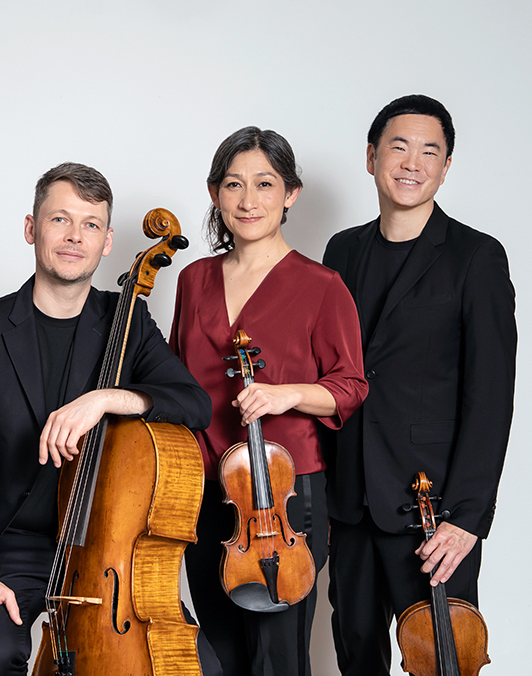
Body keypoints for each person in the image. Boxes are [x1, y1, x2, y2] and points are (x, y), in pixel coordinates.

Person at [0, 162, 219, 676]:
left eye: (90, 225)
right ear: (31, 228)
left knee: (196, 668)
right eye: (60, 219)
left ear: (107, 241)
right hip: (11, 547)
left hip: (106, 543)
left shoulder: (126, 320)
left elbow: (195, 403)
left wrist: (109, 397)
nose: (74, 237)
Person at [321, 94, 516, 676]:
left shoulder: (476, 257)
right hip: (351, 502)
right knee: (356, 654)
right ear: (371, 157)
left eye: (430, 151)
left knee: (442, 662)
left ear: (446, 166)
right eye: (399, 147)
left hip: (432, 510)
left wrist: (468, 517)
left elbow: (491, 396)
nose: (412, 162)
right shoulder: (342, 251)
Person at [169, 126, 368, 676]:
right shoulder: (193, 280)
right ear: (215, 194)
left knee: (277, 661)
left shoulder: (321, 285)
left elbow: (350, 386)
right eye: (234, 185)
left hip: (284, 499)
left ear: (291, 193)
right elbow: (178, 385)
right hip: (207, 495)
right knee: (220, 656)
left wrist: (288, 395)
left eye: (264, 183)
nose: (248, 200)